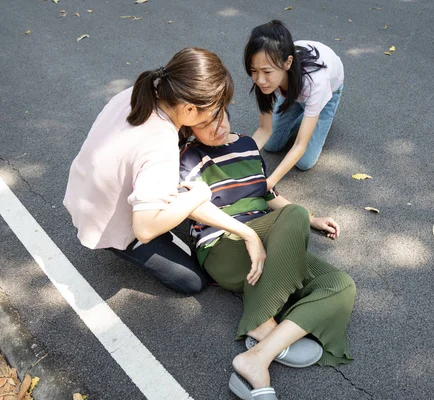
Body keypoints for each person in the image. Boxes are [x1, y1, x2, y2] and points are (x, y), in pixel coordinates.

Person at [179, 111, 355, 399]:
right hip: (223, 246)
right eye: (203, 124)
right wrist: (250, 233)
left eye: (219, 116)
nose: (217, 127)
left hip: (266, 239)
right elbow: (190, 206)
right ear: (188, 127)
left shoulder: (247, 144)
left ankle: (259, 356)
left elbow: (267, 193)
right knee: (293, 215)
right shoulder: (188, 156)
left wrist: (312, 218)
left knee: (340, 284)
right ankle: (262, 320)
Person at [63, 47, 244, 294]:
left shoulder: (138, 93)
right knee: (193, 281)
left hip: (84, 192)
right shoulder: (161, 144)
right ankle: (120, 243)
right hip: (110, 221)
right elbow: (145, 229)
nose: (216, 117)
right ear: (189, 109)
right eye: (213, 110)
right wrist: (199, 194)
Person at [244, 20, 344, 189]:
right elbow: (264, 130)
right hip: (291, 89)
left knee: (304, 162)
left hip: (325, 90)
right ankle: (306, 115)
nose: (260, 80)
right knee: (272, 145)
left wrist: (269, 183)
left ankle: (315, 115)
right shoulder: (266, 75)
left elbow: (299, 145)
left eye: (267, 71)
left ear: (287, 63)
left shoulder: (316, 82)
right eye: (254, 71)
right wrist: (238, 159)